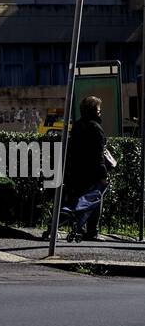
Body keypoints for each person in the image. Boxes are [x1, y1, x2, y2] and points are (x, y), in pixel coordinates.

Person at [63, 95, 109, 240]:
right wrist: (103, 174)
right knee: (95, 200)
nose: (100, 112)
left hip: (77, 170)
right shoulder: (96, 128)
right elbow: (98, 154)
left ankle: (79, 228)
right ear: (93, 111)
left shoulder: (77, 126)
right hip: (93, 172)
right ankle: (92, 232)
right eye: (98, 109)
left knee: (80, 199)